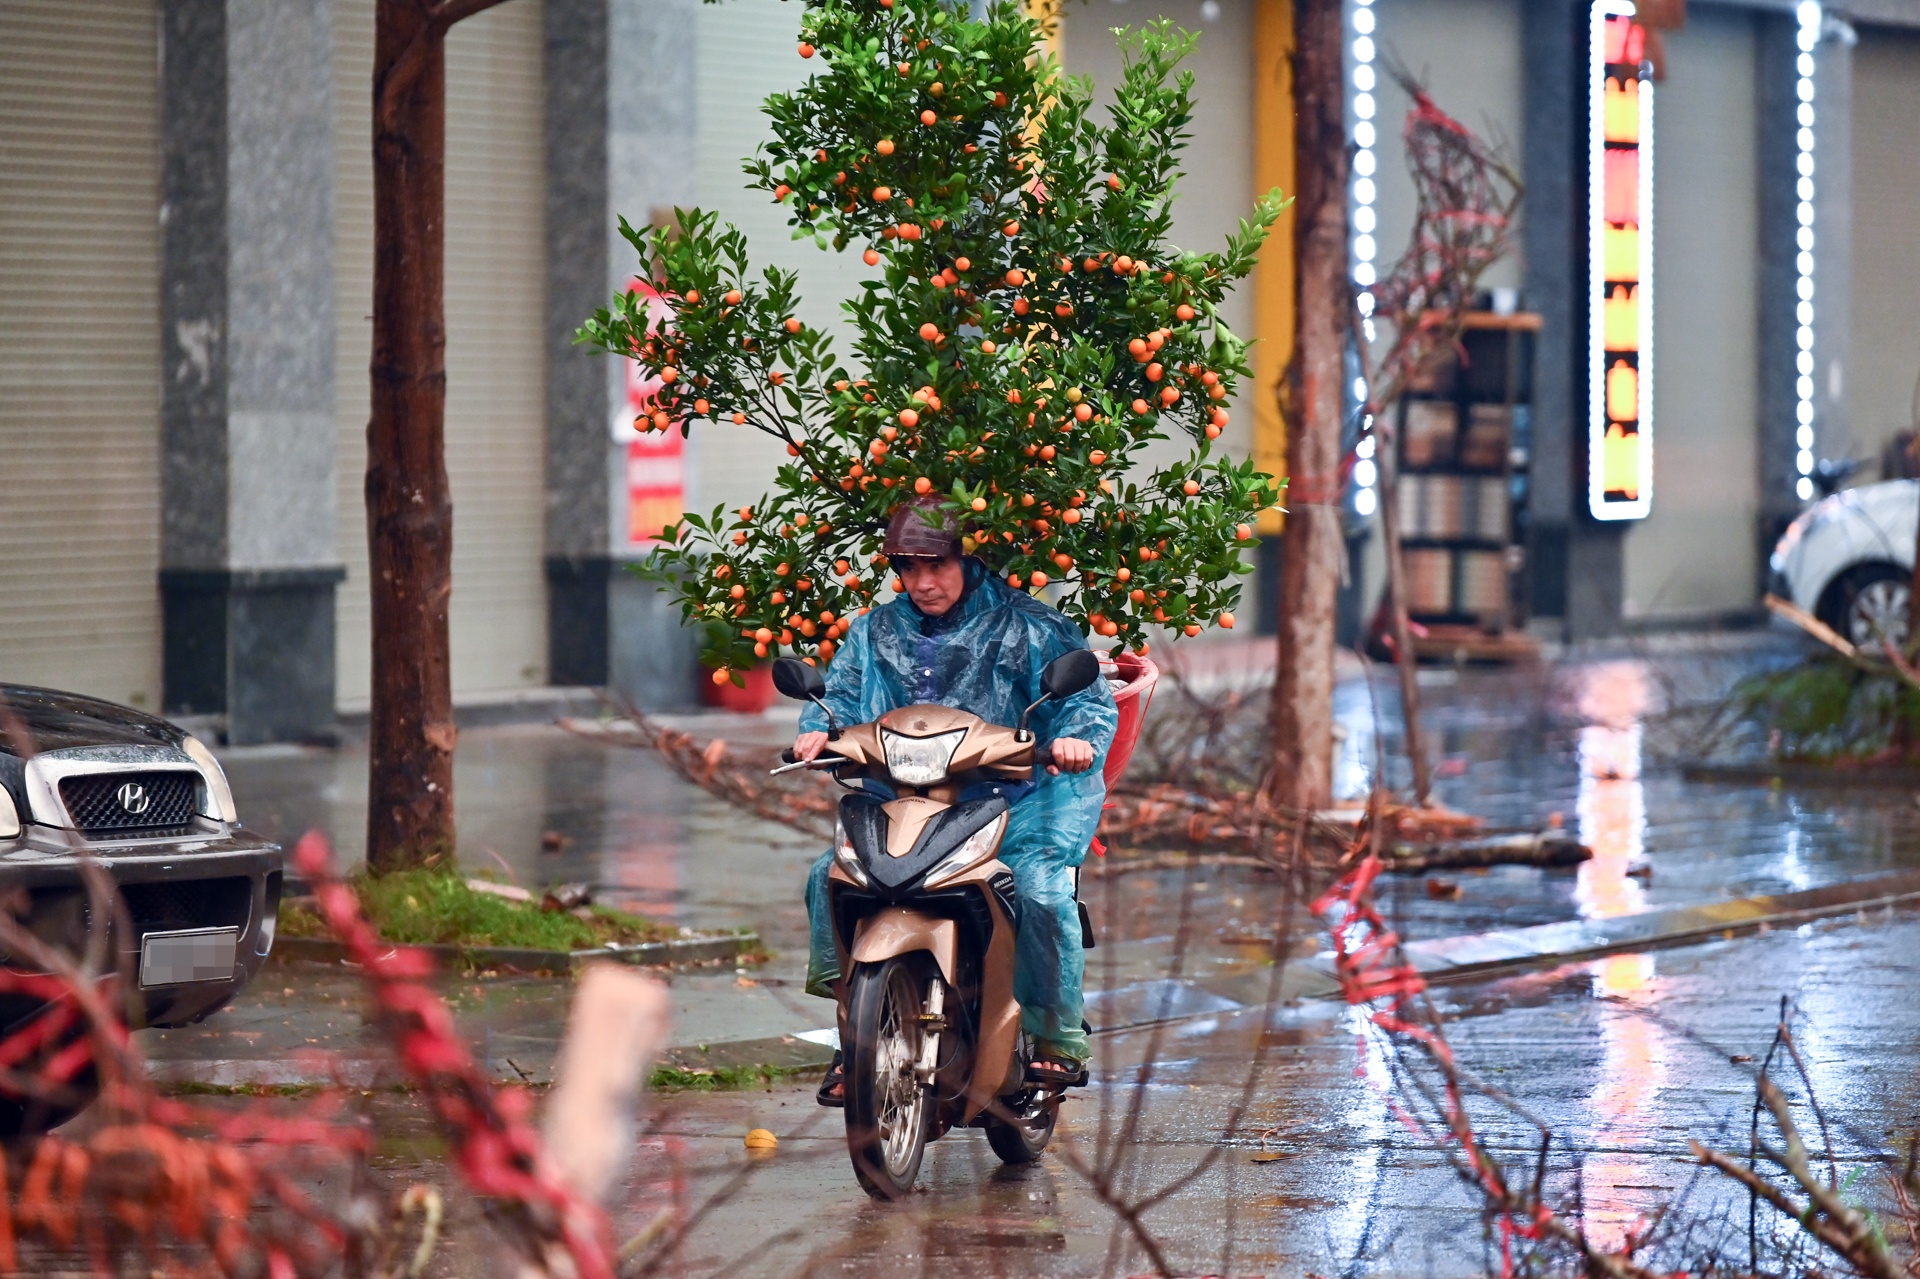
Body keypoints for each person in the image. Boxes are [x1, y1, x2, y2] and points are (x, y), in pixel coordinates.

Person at [795, 496, 1118, 1104]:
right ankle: (855, 1031)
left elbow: (1086, 702)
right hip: (911, 799)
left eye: (935, 565)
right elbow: (837, 694)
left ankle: (1056, 1040)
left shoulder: (1032, 626)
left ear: (968, 558)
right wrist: (821, 726)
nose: (920, 582)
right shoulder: (874, 631)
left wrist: (1074, 737)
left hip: (1021, 799)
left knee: (1042, 890)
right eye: (907, 567)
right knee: (828, 874)